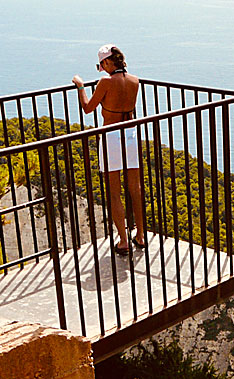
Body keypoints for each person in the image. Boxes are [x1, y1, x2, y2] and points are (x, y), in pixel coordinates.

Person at [72, 44, 144, 255]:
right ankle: (140, 235)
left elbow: (88, 108)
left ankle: (123, 241)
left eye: (100, 64)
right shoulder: (135, 81)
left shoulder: (105, 82)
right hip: (131, 133)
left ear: (107, 62)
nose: (101, 69)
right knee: (135, 188)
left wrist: (80, 86)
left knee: (114, 191)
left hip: (112, 136)